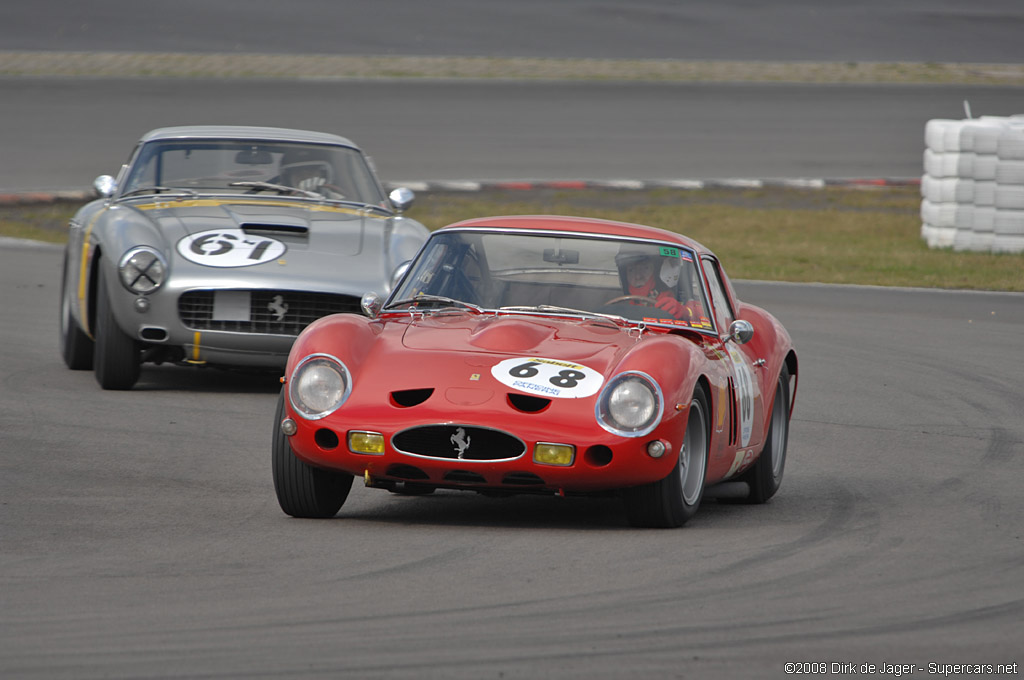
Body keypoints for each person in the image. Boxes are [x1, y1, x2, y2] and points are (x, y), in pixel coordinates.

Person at [616, 250, 704, 322]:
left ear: (656, 271)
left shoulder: (676, 300)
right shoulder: (618, 304)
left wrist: (686, 312)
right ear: (624, 276)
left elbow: (710, 316)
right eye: (631, 270)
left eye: (645, 268)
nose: (638, 276)